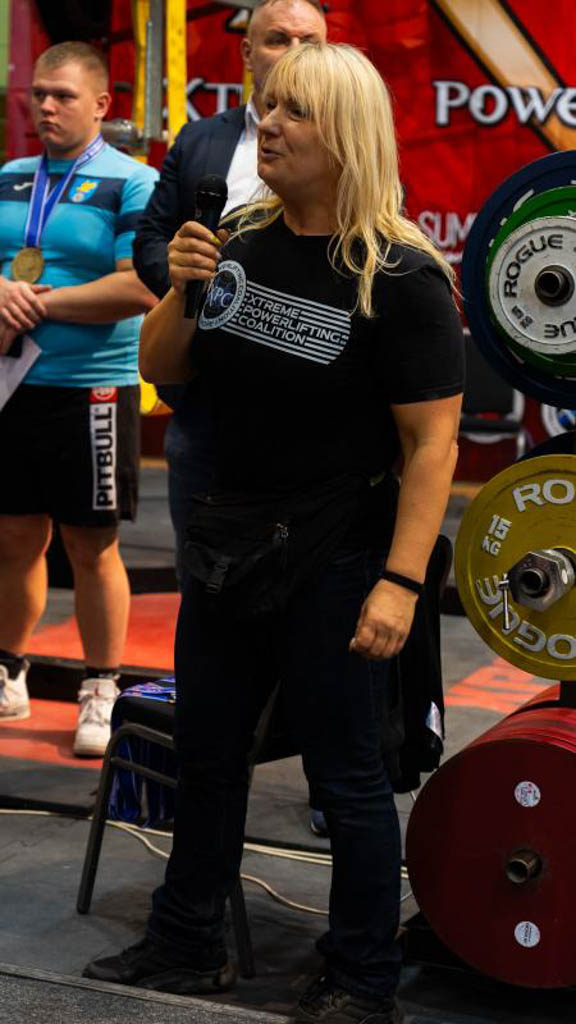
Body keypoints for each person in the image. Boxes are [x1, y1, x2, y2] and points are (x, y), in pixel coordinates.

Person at [84, 43, 465, 1023]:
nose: (269, 124)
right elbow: (166, 369)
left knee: (347, 777)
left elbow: (431, 446)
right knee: (207, 753)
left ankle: (360, 979)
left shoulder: (403, 275)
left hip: (339, 556)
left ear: (344, 133)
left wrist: (400, 584)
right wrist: (183, 286)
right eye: (267, 106)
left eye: (292, 110)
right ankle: (186, 942)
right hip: (229, 543)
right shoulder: (240, 239)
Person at [133, 0, 328, 583]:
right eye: (278, 39)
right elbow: (151, 238)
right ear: (247, 53)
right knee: (202, 578)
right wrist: (189, 283)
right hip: (204, 401)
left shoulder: (355, 145)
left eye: (310, 42)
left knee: (306, 586)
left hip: (313, 407)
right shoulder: (200, 140)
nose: (294, 54)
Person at [0, 42, 157, 756]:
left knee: (91, 545)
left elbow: (140, 286)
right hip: (12, 384)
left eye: (62, 95)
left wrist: (37, 302)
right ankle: (9, 668)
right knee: (13, 536)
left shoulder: (133, 181)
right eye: (38, 94)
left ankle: (101, 684)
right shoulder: (10, 176)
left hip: (92, 386)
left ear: (100, 105)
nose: (46, 107)